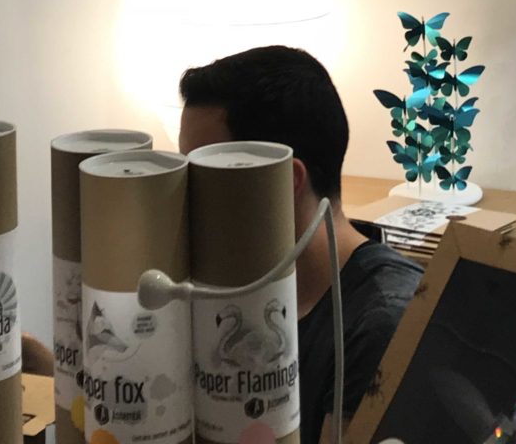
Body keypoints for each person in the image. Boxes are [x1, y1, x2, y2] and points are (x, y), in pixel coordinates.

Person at [179, 45, 423, 444]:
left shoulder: (381, 325)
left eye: (204, 176)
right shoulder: (220, 294)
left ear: (282, 182)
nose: (184, 197)